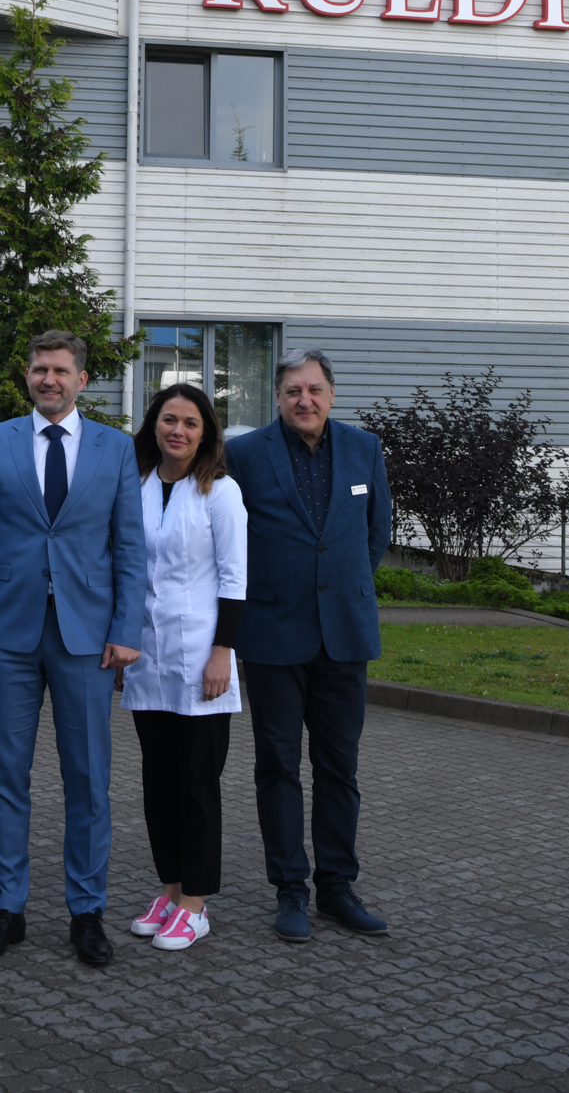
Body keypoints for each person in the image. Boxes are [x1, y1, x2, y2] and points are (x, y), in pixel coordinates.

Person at [0, 330, 147, 967]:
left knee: (88, 777)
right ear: (28, 376)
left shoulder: (116, 449)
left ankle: (86, 910)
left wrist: (126, 629)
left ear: (82, 380)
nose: (49, 380)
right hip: (7, 634)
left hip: (86, 637)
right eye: (40, 369)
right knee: (4, 775)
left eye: (61, 371)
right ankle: (7, 907)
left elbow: (130, 548)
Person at [223, 349, 391, 944]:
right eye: (293, 390)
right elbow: (231, 539)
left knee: (339, 768)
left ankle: (338, 889)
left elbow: (376, 533)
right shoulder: (245, 454)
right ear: (277, 397)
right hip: (272, 633)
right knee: (277, 767)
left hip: (344, 633)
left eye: (315, 389)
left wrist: (341, 588)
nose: (305, 400)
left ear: (332, 394)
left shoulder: (365, 449)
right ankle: (290, 890)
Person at [122, 383, 246, 954]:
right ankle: (170, 891)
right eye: (169, 419)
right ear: (154, 425)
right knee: (158, 779)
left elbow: (235, 578)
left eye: (190, 423)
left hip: (201, 656)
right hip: (147, 655)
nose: (178, 430)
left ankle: (195, 906)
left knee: (196, 781)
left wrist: (223, 651)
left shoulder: (221, 491)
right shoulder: (138, 484)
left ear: (206, 434)